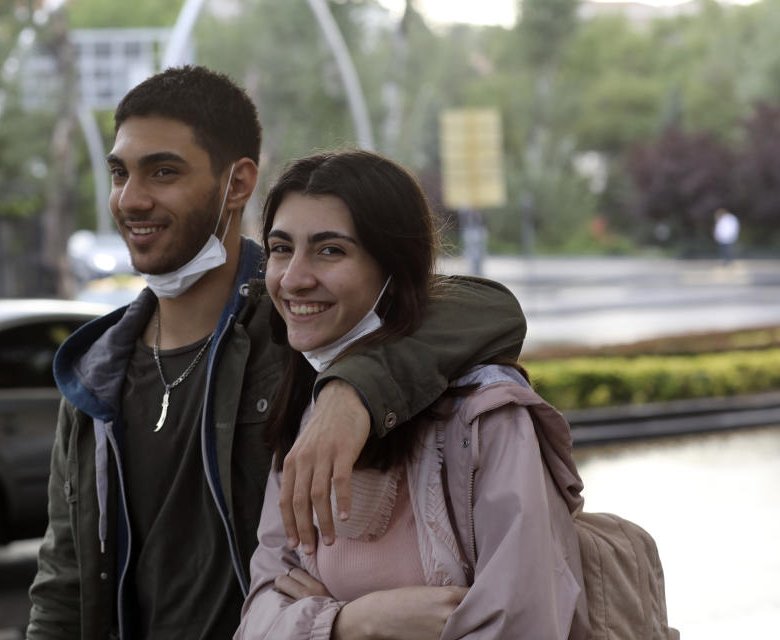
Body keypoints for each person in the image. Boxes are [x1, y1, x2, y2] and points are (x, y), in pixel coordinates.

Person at [26, 67, 527, 639]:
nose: (130, 199)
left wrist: (352, 390)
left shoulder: (297, 328)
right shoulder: (94, 371)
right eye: (120, 172)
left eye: (163, 171)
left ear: (237, 183)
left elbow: (486, 308)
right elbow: (63, 588)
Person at [236, 150, 590, 639]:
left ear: (394, 267)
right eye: (280, 248)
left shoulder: (484, 417)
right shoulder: (306, 412)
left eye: (330, 250)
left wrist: (305, 620)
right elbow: (257, 620)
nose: (294, 277)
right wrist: (352, 622)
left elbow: (523, 622)